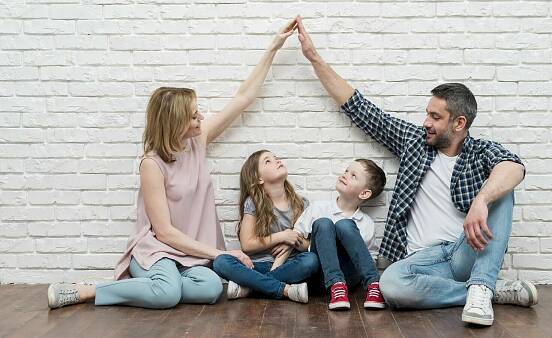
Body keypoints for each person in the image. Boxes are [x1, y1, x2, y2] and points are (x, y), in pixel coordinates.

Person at [295, 16, 537, 326]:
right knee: (391, 285)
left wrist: (481, 200)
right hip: (422, 261)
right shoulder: (414, 142)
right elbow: (361, 109)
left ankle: (480, 284)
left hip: (465, 252)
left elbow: (514, 167)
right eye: (427, 113)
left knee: (503, 191)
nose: (426, 122)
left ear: (459, 123)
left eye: (435, 117)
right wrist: (314, 58)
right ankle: (486, 290)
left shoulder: (479, 152)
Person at [47, 19, 298, 310]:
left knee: (212, 288)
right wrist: (219, 254)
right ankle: (92, 290)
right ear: (175, 122)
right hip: (159, 251)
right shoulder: (152, 164)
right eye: (193, 115)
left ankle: (161, 286)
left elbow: (243, 98)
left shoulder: (197, 141)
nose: (201, 118)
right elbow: (164, 232)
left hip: (193, 254)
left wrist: (273, 48)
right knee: (167, 295)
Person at [212, 150, 319, 303]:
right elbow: (247, 245)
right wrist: (282, 236)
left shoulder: (302, 203)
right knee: (220, 261)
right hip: (258, 266)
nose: (277, 160)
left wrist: (294, 240)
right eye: (268, 161)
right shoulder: (253, 203)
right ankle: (285, 290)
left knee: (311, 260)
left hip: (289, 266)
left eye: (275, 157)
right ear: (259, 179)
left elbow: (309, 246)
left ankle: (251, 287)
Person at [290, 159, 387, 310]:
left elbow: (369, 258)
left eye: (353, 175)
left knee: (345, 224)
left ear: (364, 193)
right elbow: (295, 236)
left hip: (349, 278)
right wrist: (310, 245)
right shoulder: (318, 208)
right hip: (319, 276)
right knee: (324, 223)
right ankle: (336, 284)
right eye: (347, 171)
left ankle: (373, 285)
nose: (345, 175)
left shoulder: (366, 223)